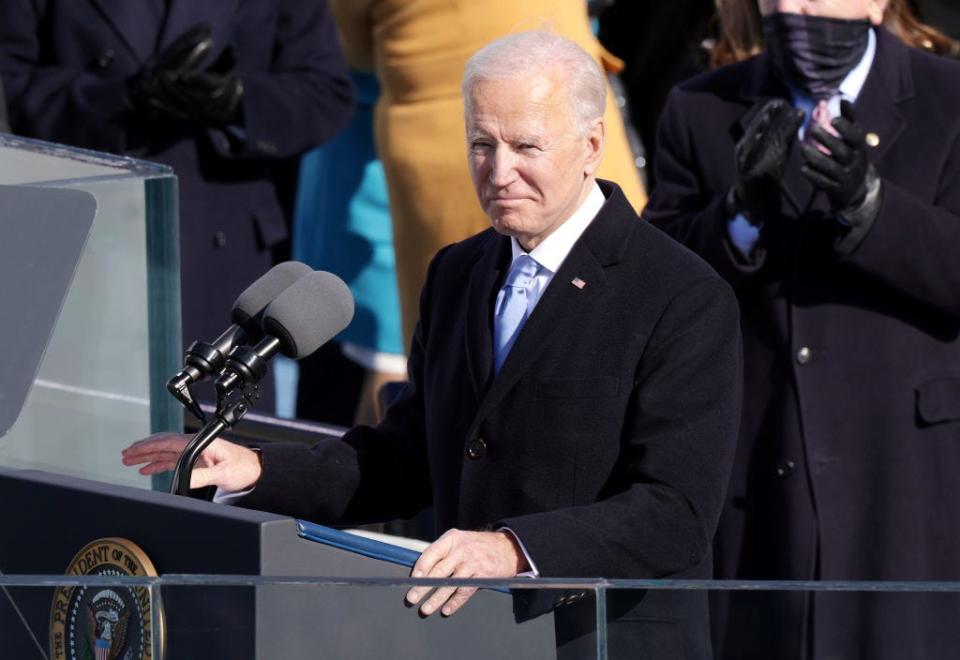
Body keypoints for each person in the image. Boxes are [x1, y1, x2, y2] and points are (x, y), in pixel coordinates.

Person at [123, 31, 742, 659]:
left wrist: (511, 549)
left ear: (591, 146)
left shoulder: (681, 295)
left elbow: (675, 511)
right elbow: (410, 453)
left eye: (527, 146)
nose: (500, 172)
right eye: (481, 144)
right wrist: (259, 470)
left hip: (601, 641)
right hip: (470, 636)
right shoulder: (458, 272)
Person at [643, 0, 960, 657]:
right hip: (759, 482)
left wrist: (873, 209)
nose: (796, 8)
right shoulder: (700, 107)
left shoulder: (947, 97)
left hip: (905, 484)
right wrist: (737, 215)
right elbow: (655, 292)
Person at [0, 1, 355, 410]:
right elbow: (13, 82)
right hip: (85, 246)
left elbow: (326, 93)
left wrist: (237, 101)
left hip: (222, 253)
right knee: (79, 430)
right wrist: (122, 98)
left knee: (214, 451)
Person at [328, 0, 648, 348]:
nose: (504, 173)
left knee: (457, 337)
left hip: (452, 141)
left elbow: (351, 45)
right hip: (551, 126)